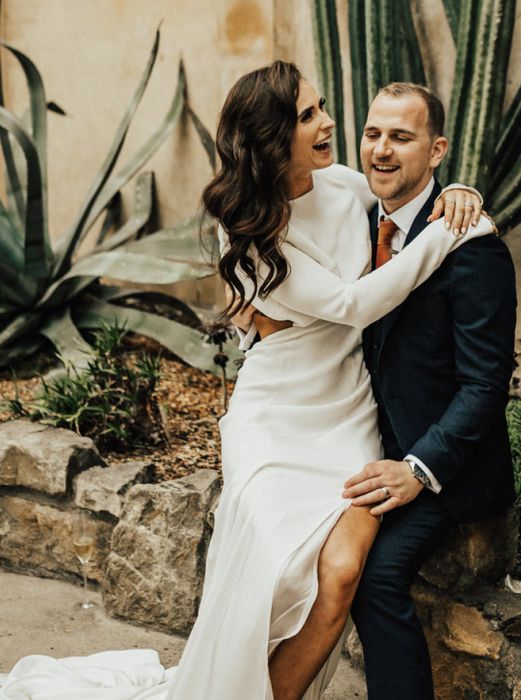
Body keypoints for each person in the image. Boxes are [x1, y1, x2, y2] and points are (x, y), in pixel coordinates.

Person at [0, 61, 492, 700]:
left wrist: (461, 195)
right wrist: (453, 236)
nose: (329, 123)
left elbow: (408, 193)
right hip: (276, 412)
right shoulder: (258, 232)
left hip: (347, 409)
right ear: (271, 138)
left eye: (321, 108)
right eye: (308, 115)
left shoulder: (343, 183)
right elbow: (352, 303)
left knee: (341, 572)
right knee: (273, 574)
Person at [343, 83, 518, 699]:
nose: (381, 151)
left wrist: (418, 469)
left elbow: (485, 384)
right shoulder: (354, 221)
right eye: (372, 134)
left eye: (401, 136)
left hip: (449, 464)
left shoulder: (474, 246)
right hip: (361, 440)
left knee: (373, 576)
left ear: (437, 149)